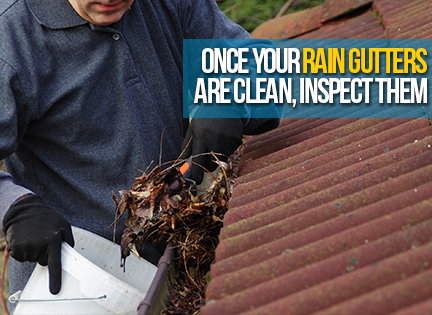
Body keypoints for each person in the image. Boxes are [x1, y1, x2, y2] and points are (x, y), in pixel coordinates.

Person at [0, 0, 279, 310]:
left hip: (187, 263)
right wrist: (15, 207)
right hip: (73, 284)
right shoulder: (9, 36)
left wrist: (229, 99)